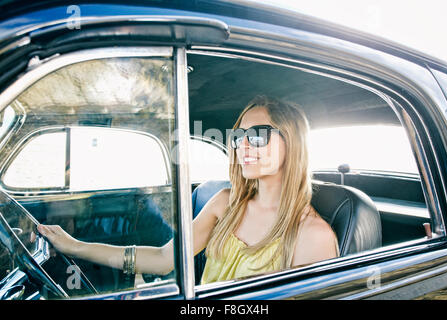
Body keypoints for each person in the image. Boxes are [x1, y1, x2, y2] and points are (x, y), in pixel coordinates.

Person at [38, 95, 339, 285]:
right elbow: (164, 258)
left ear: (294, 144)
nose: (242, 145)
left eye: (258, 136)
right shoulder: (226, 204)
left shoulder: (313, 236)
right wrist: (74, 246)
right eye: (238, 136)